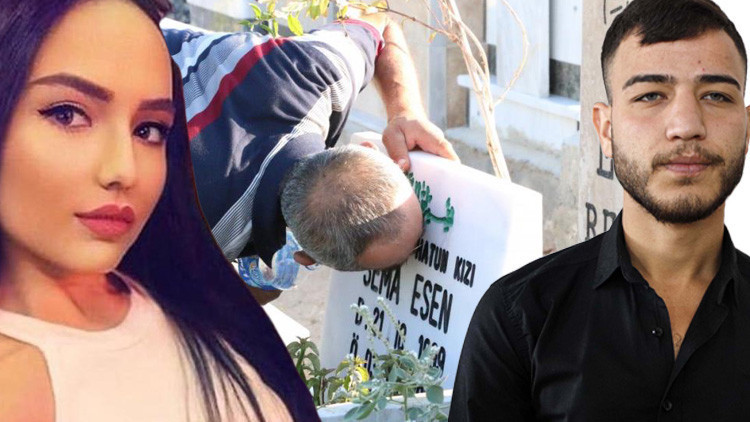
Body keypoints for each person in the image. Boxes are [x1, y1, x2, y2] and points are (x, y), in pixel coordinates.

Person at [0, 0, 317, 420]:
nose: (123, 170)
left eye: (148, 130)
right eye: (67, 114)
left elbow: (370, 33)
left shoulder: (196, 302)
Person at [450, 0, 750, 420]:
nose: (686, 126)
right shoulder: (519, 318)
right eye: (650, 95)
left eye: (716, 95)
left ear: (747, 127)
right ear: (606, 130)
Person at [161, 11, 458, 299]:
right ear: (304, 256)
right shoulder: (191, 231)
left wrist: (405, 111)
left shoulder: (312, 74)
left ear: (366, 150)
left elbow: (380, 24)